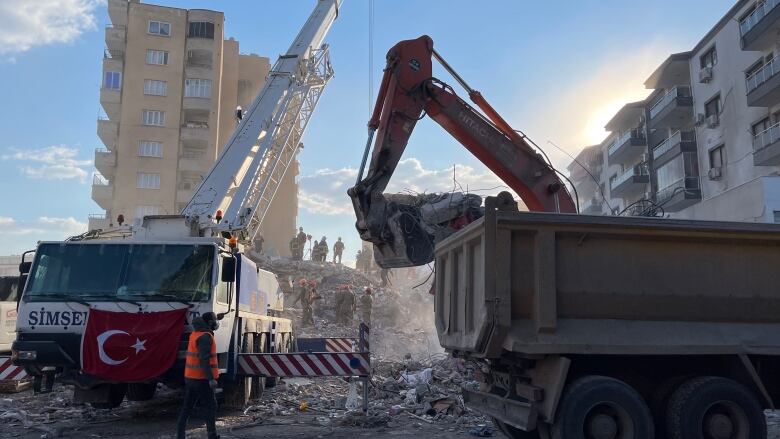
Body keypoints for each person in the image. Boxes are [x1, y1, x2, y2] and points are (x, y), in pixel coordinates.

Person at [177, 312, 220, 439]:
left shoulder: (194, 334)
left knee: (187, 408)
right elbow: (204, 359)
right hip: (201, 379)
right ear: (208, 322)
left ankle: (180, 435)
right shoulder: (205, 337)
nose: (215, 322)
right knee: (211, 406)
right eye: (214, 320)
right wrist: (211, 379)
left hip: (190, 378)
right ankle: (212, 435)